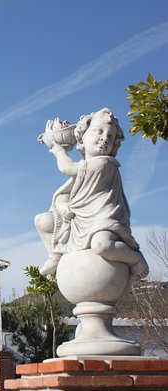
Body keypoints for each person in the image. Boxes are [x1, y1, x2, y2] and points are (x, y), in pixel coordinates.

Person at [35, 108, 149, 279]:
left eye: (110, 137)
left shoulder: (104, 164)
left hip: (102, 222)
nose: (104, 138)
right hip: (79, 220)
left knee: (102, 246)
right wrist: (63, 205)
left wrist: (58, 150)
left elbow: (67, 168)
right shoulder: (85, 168)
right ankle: (55, 255)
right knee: (42, 221)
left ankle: (135, 259)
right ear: (82, 135)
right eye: (99, 131)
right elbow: (66, 193)